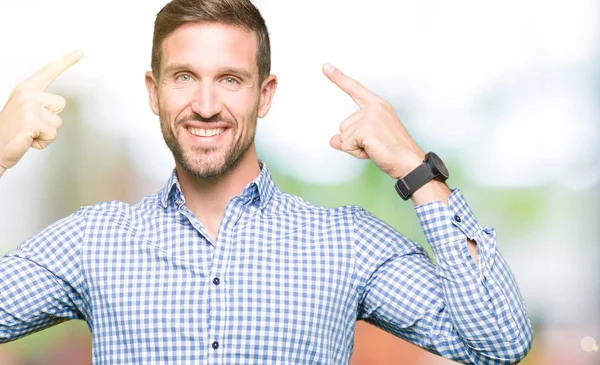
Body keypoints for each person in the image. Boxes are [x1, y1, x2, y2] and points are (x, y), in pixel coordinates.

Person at [0, 0, 533, 363]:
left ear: (265, 94)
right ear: (152, 91)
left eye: (229, 80)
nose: (205, 106)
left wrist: (418, 171)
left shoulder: (344, 243)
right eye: (185, 76)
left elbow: (499, 343)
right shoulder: (93, 242)